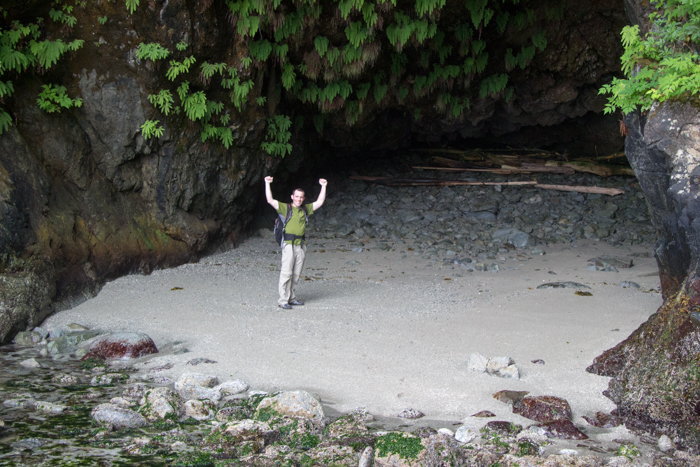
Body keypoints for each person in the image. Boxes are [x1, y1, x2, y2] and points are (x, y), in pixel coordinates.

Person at [265, 176, 327, 309]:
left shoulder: (305, 210)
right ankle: (283, 300)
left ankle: (291, 298)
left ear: (303, 198)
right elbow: (270, 200)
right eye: (297, 196)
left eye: (301, 197)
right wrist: (267, 183)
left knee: (296, 274)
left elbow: (320, 201)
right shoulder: (285, 208)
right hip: (288, 244)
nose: (299, 199)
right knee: (286, 273)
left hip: (301, 245)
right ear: (292, 196)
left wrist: (323, 186)